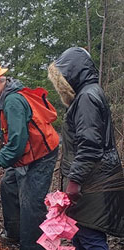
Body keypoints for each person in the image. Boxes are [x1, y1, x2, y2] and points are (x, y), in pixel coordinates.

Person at [0, 61, 59, 250]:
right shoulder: (6, 98)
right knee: (9, 185)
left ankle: (32, 246)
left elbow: (17, 143)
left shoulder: (13, 101)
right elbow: (1, 128)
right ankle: (14, 233)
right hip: (28, 152)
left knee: (32, 203)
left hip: (41, 155)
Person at [48, 47, 124, 249]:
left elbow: (90, 144)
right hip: (94, 178)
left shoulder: (86, 98)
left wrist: (74, 180)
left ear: (73, 72)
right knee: (80, 234)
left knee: (91, 237)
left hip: (93, 181)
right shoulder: (88, 94)